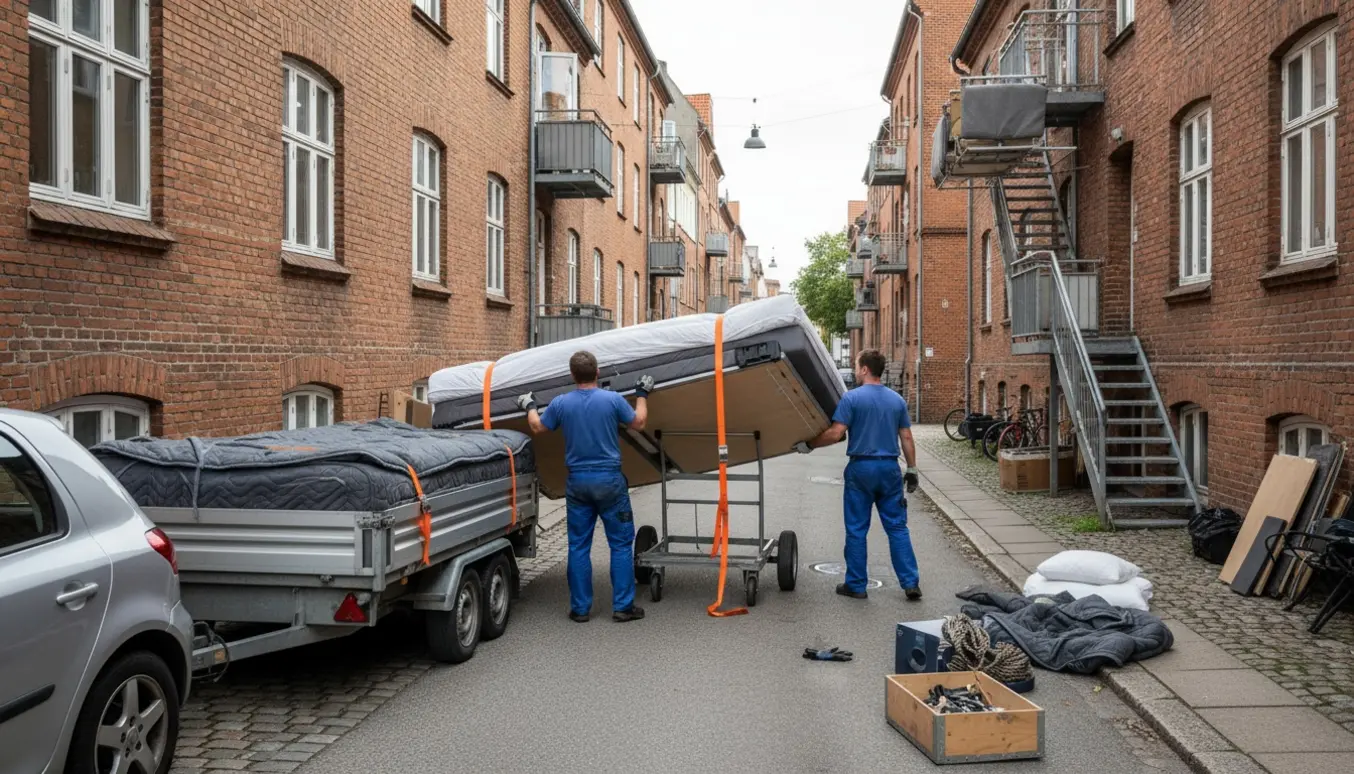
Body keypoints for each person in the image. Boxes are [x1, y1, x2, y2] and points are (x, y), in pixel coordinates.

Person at [517, 351, 654, 623]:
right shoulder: (612, 400)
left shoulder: (561, 404)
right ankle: (623, 607)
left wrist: (529, 404)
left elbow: (537, 427)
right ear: (598, 372)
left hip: (578, 483)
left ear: (572, 375)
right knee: (620, 544)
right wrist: (642, 393)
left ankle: (580, 609)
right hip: (609, 482)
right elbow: (639, 422)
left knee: (578, 546)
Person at [795, 349, 922, 601]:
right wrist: (912, 468)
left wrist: (808, 444)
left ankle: (856, 584)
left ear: (865, 369)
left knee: (856, 529)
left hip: (861, 469)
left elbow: (835, 433)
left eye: (856, 366)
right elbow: (906, 437)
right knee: (897, 527)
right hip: (889, 469)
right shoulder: (897, 401)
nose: (855, 370)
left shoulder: (852, 399)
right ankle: (910, 583)